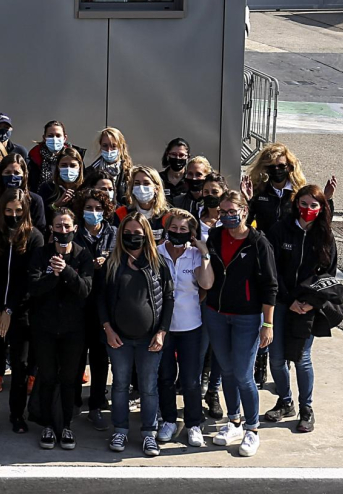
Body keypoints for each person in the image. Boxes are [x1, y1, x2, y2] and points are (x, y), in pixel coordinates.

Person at [202, 190, 277, 457]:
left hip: (247, 318)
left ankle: (252, 429)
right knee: (227, 370)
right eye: (223, 212)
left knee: (245, 375)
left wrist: (267, 324)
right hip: (216, 313)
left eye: (233, 211)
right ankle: (234, 420)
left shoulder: (258, 243)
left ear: (244, 211)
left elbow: (270, 286)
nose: (227, 216)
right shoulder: (214, 236)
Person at [98, 214, 174, 458]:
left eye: (138, 234)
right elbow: (100, 299)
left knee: (149, 387)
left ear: (147, 235)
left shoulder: (158, 263)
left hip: (150, 339)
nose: (133, 238)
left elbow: (169, 299)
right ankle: (120, 429)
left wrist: (162, 332)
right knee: (119, 385)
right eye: (128, 233)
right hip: (118, 339)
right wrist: (108, 329)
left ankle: (148, 434)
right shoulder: (112, 262)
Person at [264, 185, 338, 434]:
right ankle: (285, 402)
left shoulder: (325, 235)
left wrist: (311, 303)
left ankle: (307, 408)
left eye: (314, 205)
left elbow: (330, 275)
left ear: (321, 208)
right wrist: (287, 298)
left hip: (308, 305)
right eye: (304, 204)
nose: (308, 210)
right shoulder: (280, 230)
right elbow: (271, 269)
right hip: (283, 302)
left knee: (302, 358)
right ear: (296, 204)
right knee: (276, 358)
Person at [27, 208, 94, 450]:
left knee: (68, 378)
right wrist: (54, 276)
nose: (63, 231)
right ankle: (46, 425)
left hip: (73, 329)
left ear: (75, 229)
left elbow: (85, 289)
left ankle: (66, 424)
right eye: (58, 227)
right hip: (44, 327)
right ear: (51, 229)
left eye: (67, 227)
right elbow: (33, 288)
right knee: (46, 377)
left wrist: (64, 271)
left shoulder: (83, 256)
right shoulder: (40, 254)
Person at [0, 187, 44, 435]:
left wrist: (9, 309)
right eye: (8, 211)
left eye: (18, 211)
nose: (13, 215)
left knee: (20, 365)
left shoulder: (34, 237)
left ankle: (17, 414)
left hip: (20, 312)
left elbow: (28, 280)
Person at [156, 208, 214, 448]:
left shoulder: (195, 254)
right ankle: (169, 420)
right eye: (174, 228)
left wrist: (204, 253)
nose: (177, 232)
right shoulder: (156, 253)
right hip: (163, 327)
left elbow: (206, 284)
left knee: (191, 379)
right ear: (167, 229)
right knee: (166, 376)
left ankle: (193, 423)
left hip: (191, 326)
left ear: (191, 233)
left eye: (183, 229)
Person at [74, 188, 117, 430]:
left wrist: (107, 261)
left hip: (105, 305)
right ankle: (73, 401)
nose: (93, 213)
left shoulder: (113, 234)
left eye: (98, 209)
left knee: (101, 358)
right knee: (76, 356)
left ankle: (96, 405)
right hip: (79, 304)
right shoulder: (75, 233)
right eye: (89, 208)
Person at [243, 142, 335, 231]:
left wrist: (326, 199)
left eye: (281, 166)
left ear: (290, 167)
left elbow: (321, 224)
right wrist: (247, 201)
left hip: (291, 245)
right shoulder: (259, 190)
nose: (277, 170)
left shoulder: (300, 193)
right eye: (272, 166)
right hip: (266, 243)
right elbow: (244, 224)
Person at [0, 152, 46, 232]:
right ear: (1, 174)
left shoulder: (35, 201)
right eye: (8, 172)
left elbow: (40, 231)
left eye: (16, 173)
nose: (12, 176)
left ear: (24, 175)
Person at [26, 121, 85, 190]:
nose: (54, 139)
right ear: (44, 138)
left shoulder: (74, 156)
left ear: (65, 138)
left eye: (58, 135)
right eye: (50, 136)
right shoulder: (34, 158)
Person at [37, 147, 85, 224]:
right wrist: (56, 205)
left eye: (72, 165)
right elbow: (40, 215)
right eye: (64, 165)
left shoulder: (85, 188)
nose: (68, 169)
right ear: (58, 167)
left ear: (79, 167)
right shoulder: (47, 187)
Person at [87, 127, 133, 208]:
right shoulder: (90, 172)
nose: (109, 150)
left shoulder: (129, 172)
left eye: (113, 146)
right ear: (100, 146)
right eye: (105, 145)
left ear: (120, 147)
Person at [122, 166, 169, 244]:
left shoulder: (167, 215)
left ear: (156, 188)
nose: (141, 187)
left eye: (146, 183)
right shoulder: (122, 213)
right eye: (137, 183)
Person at [170, 156, 213, 220]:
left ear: (207, 176)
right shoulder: (177, 202)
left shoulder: (212, 203)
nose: (194, 178)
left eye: (198, 174)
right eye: (190, 174)